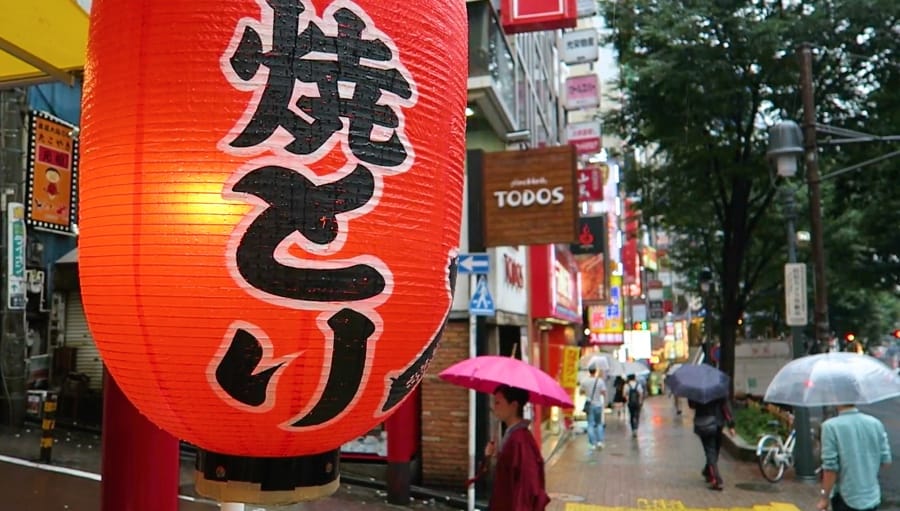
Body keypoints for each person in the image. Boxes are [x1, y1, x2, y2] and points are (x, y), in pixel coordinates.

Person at [484, 385, 550, 511]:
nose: (494, 407)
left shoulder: (520, 440)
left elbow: (526, 485)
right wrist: (493, 456)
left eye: (498, 402)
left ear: (514, 405)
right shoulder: (513, 436)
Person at [817, 404, 892, 511]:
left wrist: (824, 497)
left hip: (845, 497)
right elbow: (886, 461)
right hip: (872, 496)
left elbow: (830, 469)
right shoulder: (875, 423)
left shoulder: (830, 427)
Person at [688, 397, 735, 491]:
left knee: (712, 451)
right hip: (717, 423)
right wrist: (731, 424)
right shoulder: (718, 387)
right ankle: (716, 479)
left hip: (704, 422)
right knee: (713, 451)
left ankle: (708, 472)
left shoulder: (696, 389)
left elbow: (692, 405)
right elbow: (725, 405)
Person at [579, 366, 607, 450]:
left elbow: (581, 392)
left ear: (589, 371)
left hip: (589, 404)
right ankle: (600, 442)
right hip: (598, 404)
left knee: (590, 424)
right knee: (599, 423)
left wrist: (587, 392)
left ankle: (592, 444)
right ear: (595, 371)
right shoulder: (600, 381)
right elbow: (603, 392)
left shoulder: (584, 381)